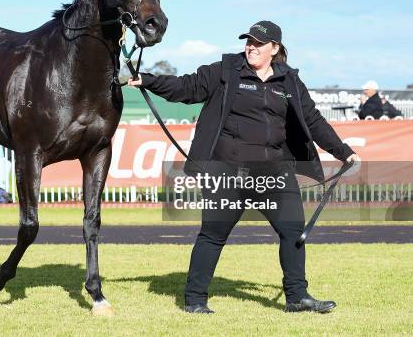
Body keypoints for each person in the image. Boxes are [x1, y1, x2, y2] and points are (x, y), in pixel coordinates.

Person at [128, 20, 360, 314]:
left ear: (274, 49)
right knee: (213, 234)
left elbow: (313, 120)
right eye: (248, 41)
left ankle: (297, 297)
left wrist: (344, 152)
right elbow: (187, 87)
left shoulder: (289, 82)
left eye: (258, 43)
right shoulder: (225, 71)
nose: (251, 47)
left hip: (275, 172)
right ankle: (195, 300)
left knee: (293, 231)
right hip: (227, 171)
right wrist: (148, 80)